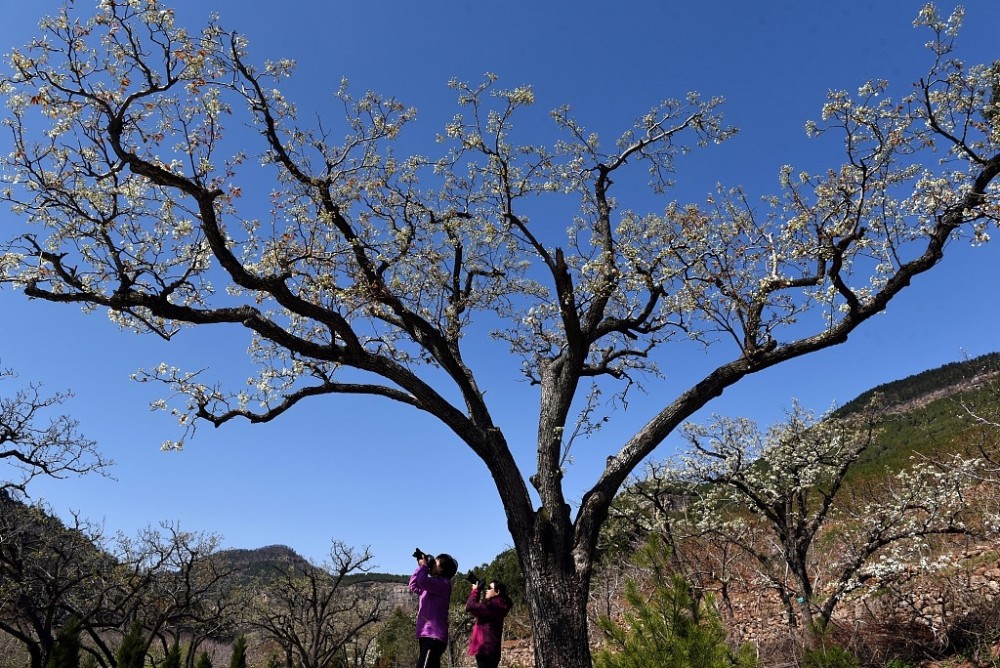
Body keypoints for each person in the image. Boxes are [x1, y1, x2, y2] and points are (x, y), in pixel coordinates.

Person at [409, 551, 458, 668]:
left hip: (434, 637)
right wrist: (420, 567)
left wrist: (424, 566)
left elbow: (422, 581)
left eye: (435, 562)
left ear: (441, 570)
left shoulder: (443, 584)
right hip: (426, 635)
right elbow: (413, 585)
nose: (432, 563)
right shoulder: (431, 586)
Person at [465, 580, 512, 668]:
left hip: (485, 650)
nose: (487, 590)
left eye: (489, 588)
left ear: (497, 592)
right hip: (491, 650)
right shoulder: (498, 605)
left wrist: (475, 590)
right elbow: (475, 609)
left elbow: (470, 606)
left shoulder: (493, 605)